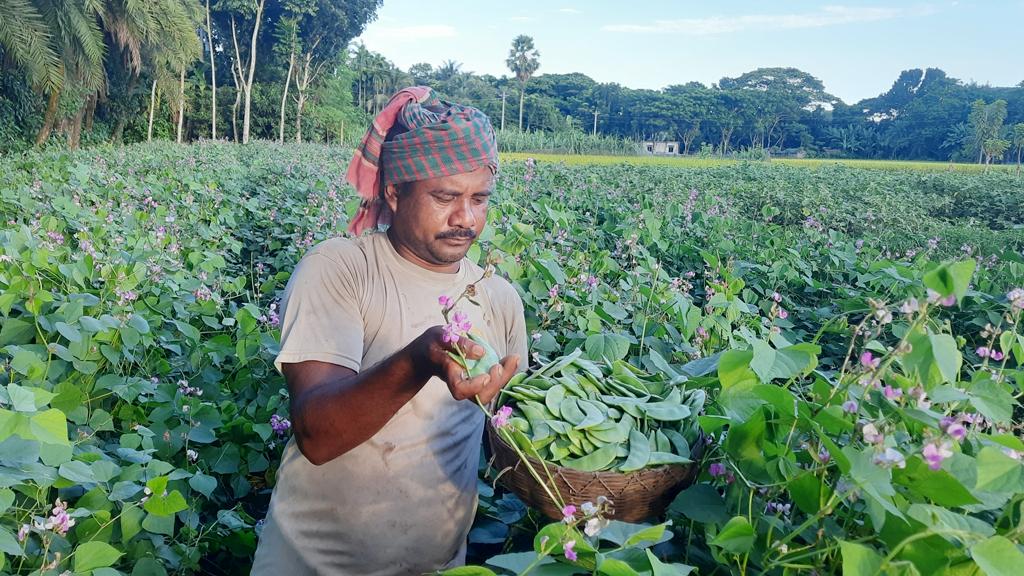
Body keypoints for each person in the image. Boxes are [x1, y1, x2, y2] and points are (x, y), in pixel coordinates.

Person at [250, 87, 527, 575]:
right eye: (445, 197)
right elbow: (316, 434)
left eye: (479, 199)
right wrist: (418, 360)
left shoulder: (497, 297)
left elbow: (504, 432)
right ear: (394, 192)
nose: (466, 218)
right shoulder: (340, 269)